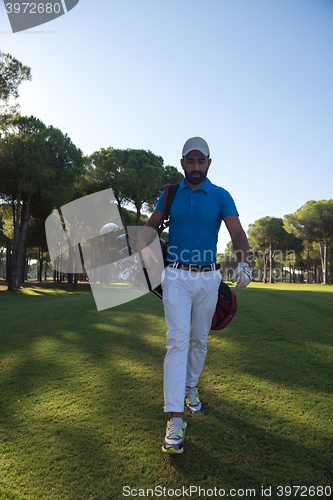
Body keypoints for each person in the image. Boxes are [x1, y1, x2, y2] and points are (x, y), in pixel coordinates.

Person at [137, 137, 251, 453]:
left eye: (202, 161)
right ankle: (175, 420)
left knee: (200, 340)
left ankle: (190, 387)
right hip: (175, 276)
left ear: (209, 164)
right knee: (177, 342)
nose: (196, 166)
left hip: (209, 279)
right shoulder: (170, 194)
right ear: (183, 162)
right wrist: (136, 247)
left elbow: (237, 232)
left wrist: (244, 262)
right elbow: (151, 226)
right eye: (191, 161)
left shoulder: (220, 195)